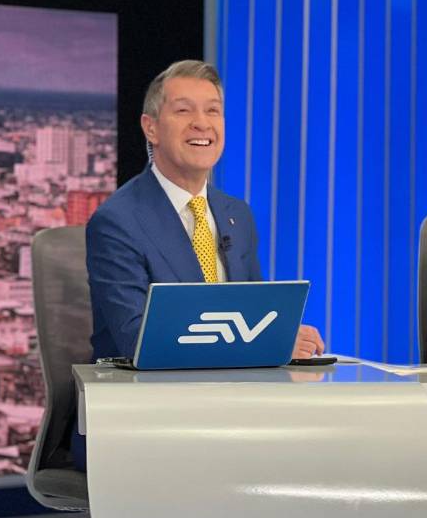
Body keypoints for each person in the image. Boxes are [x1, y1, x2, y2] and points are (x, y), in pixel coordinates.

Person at [73, 60, 323, 470]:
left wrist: (279, 333)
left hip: (233, 412)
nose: (202, 124)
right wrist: (265, 340)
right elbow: (141, 340)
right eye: (184, 110)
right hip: (144, 421)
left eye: (213, 110)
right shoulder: (117, 220)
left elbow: (253, 312)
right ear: (151, 127)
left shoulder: (236, 215)